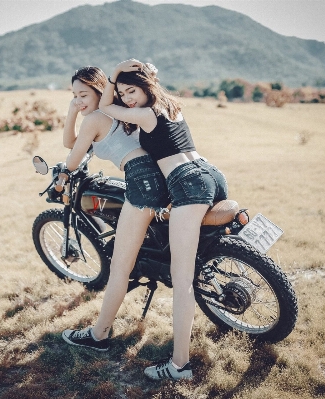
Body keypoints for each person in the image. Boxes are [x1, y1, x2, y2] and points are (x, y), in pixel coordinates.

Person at [98, 59, 229, 381]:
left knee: (181, 279)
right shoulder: (170, 105)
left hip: (188, 182)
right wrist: (136, 79)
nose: (127, 98)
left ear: (146, 86)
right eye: (122, 92)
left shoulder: (144, 114)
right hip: (211, 173)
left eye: (132, 90)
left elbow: (103, 106)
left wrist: (113, 76)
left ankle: (179, 365)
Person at [60, 67, 169, 353]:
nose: (78, 100)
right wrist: (73, 111)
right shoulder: (121, 111)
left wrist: (62, 174)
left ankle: (99, 335)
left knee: (120, 267)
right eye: (73, 96)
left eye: (83, 94)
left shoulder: (97, 118)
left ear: (99, 90)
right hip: (164, 173)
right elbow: (76, 143)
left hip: (142, 178)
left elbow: (72, 157)